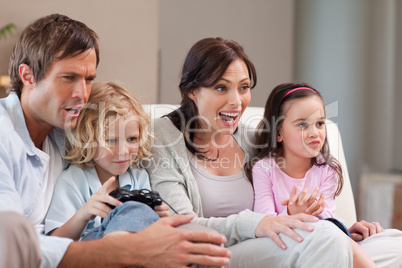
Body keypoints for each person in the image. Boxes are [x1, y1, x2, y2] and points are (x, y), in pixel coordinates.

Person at [0, 14, 230, 267]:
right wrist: (123, 250)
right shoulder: (6, 137)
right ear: (28, 76)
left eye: (89, 79)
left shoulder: (68, 129)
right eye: (69, 78)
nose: (82, 94)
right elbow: (8, 243)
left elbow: (128, 127)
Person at [144, 37, 354, 267]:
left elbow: (296, 190)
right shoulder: (162, 136)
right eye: (221, 88)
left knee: (390, 242)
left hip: (262, 246)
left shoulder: (253, 140)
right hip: (211, 257)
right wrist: (254, 223)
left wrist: (344, 228)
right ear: (193, 90)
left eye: (243, 87)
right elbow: (182, 225)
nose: (236, 101)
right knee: (326, 240)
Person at [248, 82, 375, 267]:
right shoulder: (264, 169)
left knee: (392, 237)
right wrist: (293, 213)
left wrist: (308, 215)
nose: (314, 133)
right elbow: (264, 220)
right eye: (302, 125)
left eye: (320, 123)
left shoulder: (328, 170)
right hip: (284, 244)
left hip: (325, 235)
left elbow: (327, 219)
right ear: (278, 132)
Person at [45, 81, 170, 241]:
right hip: (92, 251)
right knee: (131, 209)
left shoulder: (139, 177)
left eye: (132, 139)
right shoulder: (74, 181)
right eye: (111, 141)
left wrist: (159, 218)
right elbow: (55, 241)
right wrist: (83, 215)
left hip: (135, 249)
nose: (124, 151)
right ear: (87, 139)